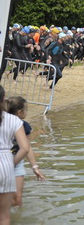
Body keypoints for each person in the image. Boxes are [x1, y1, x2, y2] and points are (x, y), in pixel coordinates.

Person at [5, 96, 46, 207]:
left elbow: (27, 148)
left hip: (17, 162)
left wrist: (35, 167)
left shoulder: (25, 126)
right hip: (3, 161)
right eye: (26, 109)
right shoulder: (2, 122)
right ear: (20, 112)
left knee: (17, 199)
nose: (27, 112)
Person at [0, 85, 30, 224]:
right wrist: (11, 164)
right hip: (6, 163)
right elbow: (24, 147)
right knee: (4, 216)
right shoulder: (13, 120)